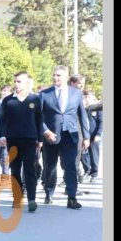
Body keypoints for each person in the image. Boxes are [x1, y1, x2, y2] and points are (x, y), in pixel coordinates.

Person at [40, 66, 90, 209]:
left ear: (66, 76)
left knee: (71, 166)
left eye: (59, 75)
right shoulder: (45, 94)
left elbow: (82, 115)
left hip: (70, 135)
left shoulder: (76, 93)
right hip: (51, 136)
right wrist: (45, 131)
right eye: (54, 75)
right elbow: (38, 117)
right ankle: (49, 193)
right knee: (50, 166)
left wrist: (86, 136)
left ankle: (72, 197)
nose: (55, 78)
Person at [0, 71, 43, 212]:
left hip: (30, 140)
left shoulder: (35, 99)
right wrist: (2, 136)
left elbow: (39, 119)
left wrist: (40, 139)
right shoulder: (8, 100)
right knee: (15, 169)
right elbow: (1, 120)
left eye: (19, 81)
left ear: (27, 82)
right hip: (12, 139)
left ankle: (32, 199)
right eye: (15, 81)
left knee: (29, 169)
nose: (16, 84)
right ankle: (17, 197)